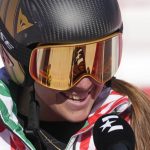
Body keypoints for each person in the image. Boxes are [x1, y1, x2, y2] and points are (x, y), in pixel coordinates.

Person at [0, 0, 150, 150]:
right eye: (61, 66)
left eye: (98, 60)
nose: (84, 84)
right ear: (20, 62)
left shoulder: (135, 124)